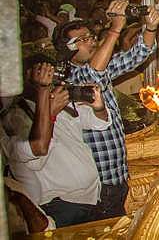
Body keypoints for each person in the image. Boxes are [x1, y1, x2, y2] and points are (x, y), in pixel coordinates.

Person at [53, 0, 159, 218]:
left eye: (91, 37)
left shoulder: (98, 67)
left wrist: (150, 27)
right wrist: (115, 29)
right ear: (66, 48)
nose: (91, 42)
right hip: (97, 182)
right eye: (82, 40)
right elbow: (93, 75)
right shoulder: (67, 79)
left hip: (116, 174)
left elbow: (139, 53)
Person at [1, 60, 110, 227]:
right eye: (42, 77)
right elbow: (38, 150)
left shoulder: (63, 104)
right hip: (60, 206)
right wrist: (50, 110)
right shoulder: (15, 116)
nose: (50, 81)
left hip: (91, 199)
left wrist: (98, 107)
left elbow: (100, 123)